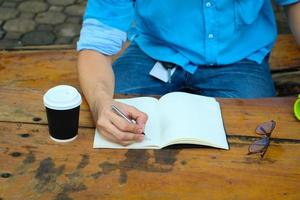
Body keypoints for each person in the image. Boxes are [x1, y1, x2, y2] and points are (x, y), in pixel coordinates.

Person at [77, 0, 300, 146]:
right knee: (108, 131)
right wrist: (100, 102)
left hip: (242, 57)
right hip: (156, 50)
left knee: (261, 140)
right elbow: (97, 40)